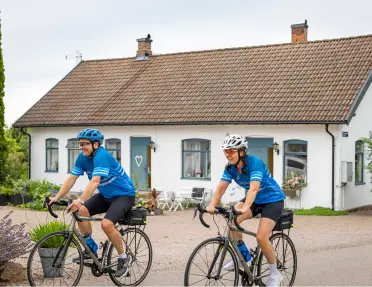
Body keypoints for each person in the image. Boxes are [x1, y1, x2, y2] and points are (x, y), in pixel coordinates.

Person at [49, 128, 136, 278]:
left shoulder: (101, 156)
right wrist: (56, 197)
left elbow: (95, 181)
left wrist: (80, 200)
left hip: (124, 195)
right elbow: (71, 179)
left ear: (96, 144)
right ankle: (91, 249)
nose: (82, 147)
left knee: (106, 224)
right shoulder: (82, 157)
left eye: (85, 144)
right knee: (81, 211)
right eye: (80, 144)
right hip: (106, 195)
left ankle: (123, 258)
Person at [206, 134, 285, 286]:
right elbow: (221, 187)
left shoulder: (254, 163)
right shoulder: (230, 168)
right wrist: (212, 204)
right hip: (255, 200)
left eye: (231, 151)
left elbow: (254, 188)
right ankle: (245, 256)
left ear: (241, 152)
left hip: (273, 200)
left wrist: (246, 207)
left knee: (262, 237)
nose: (228, 155)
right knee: (232, 221)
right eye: (225, 152)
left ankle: (275, 274)